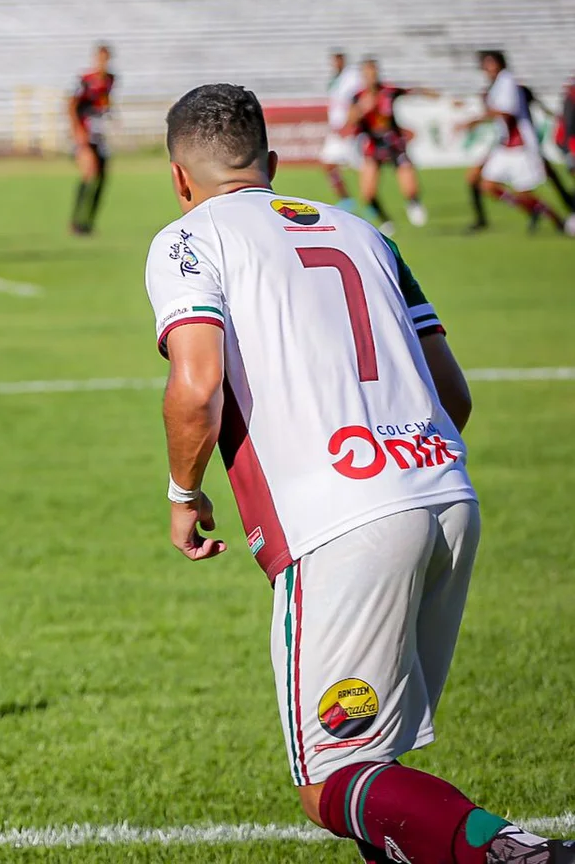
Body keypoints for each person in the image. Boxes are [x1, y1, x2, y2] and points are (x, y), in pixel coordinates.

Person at [145, 82, 574, 864]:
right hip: (444, 493)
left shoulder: (189, 239)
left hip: (344, 521)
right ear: (272, 163)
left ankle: (518, 852)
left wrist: (183, 494)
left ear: (179, 178)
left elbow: (197, 385)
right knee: (378, 771)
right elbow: (455, 394)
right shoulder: (364, 231)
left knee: (334, 777)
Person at [460, 51, 574, 236]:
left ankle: (557, 219)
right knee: (486, 185)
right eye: (486, 65)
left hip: (520, 147)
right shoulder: (497, 84)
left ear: (500, 64)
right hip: (505, 145)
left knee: (525, 192)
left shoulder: (507, 81)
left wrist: (475, 120)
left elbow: (507, 112)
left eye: (491, 64)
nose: (488, 68)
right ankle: (535, 210)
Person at [350, 59, 434, 234]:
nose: (371, 77)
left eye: (373, 73)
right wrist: (361, 110)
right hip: (373, 145)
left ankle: (413, 202)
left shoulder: (388, 92)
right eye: (367, 74)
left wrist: (433, 94)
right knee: (367, 193)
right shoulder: (358, 97)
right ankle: (385, 221)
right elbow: (349, 121)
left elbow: (411, 91)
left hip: (393, 142)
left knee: (408, 179)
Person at [68, 43, 116, 235]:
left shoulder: (111, 79)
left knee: (103, 177)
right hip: (85, 135)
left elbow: (105, 102)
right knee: (88, 173)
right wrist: (78, 134)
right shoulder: (85, 80)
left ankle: (89, 222)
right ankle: (75, 221)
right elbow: (71, 106)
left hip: (100, 135)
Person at [320, 51, 363, 202]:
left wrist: (350, 124)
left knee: (360, 166)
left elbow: (357, 101)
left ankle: (370, 199)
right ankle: (346, 199)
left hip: (348, 129)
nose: (335, 63)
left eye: (337, 60)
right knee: (328, 164)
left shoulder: (352, 77)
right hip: (336, 129)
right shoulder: (335, 78)